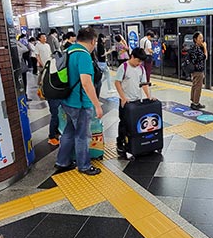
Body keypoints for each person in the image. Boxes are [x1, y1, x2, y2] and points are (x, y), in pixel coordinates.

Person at [55, 26, 104, 175]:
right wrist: (97, 105)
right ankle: (84, 166)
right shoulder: (83, 55)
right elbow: (86, 83)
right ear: (93, 41)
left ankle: (62, 161)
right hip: (80, 103)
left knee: (69, 132)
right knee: (82, 135)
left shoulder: (69, 50)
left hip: (67, 100)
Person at [115, 47, 154, 157]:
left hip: (136, 101)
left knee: (135, 124)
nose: (139, 63)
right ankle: (120, 143)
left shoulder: (141, 69)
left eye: (141, 61)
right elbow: (117, 83)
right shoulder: (124, 67)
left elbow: (144, 84)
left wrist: (149, 96)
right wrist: (123, 97)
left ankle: (134, 143)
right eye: (137, 60)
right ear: (132, 57)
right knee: (124, 123)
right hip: (125, 102)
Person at [189, 31, 207, 109]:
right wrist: (205, 47)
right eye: (200, 38)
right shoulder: (197, 49)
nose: (202, 40)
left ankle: (193, 101)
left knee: (194, 86)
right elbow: (205, 57)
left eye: (202, 38)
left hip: (194, 70)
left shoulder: (192, 47)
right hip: (198, 71)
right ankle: (196, 103)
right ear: (195, 39)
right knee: (198, 87)